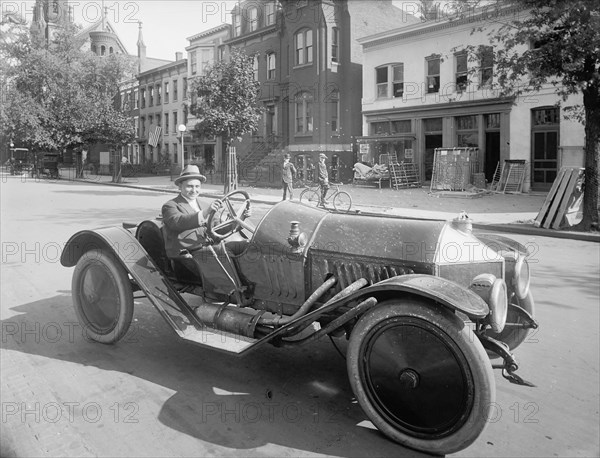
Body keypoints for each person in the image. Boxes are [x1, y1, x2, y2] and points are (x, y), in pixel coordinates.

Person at [161, 165, 222, 258]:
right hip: (186, 254)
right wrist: (205, 213)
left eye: (197, 186)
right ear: (180, 186)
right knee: (225, 252)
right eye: (189, 186)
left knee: (244, 247)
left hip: (208, 248)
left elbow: (218, 228)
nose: (194, 190)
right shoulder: (170, 206)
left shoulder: (205, 205)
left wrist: (240, 220)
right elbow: (179, 222)